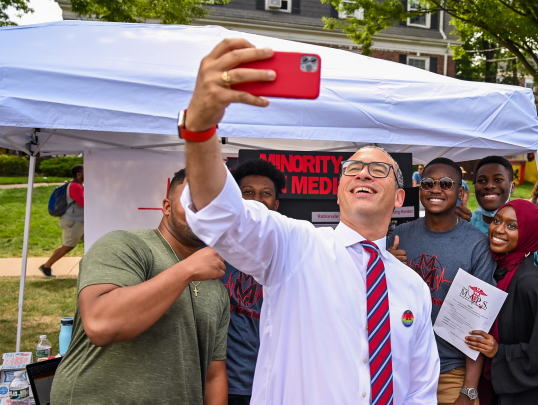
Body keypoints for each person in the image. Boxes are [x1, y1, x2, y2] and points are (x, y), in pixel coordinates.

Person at [180, 38, 440, 405]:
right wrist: (200, 128)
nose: (363, 174)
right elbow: (221, 214)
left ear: (399, 198)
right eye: (352, 168)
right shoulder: (294, 247)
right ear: (338, 191)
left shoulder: (413, 288)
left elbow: (419, 391)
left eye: (378, 169)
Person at [51, 169, 230, 405]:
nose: (202, 212)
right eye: (192, 200)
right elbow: (100, 323)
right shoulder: (125, 245)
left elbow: (213, 375)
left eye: (212, 206)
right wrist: (187, 270)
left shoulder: (216, 288)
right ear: (166, 207)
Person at [387, 158, 496, 405]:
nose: (436, 189)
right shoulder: (400, 236)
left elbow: (478, 322)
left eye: (446, 183)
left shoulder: (476, 244)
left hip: (451, 373)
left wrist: (469, 389)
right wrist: (386, 265)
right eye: (428, 183)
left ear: (460, 191)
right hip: (402, 368)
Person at [465, 200, 538, 405]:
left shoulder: (530, 283)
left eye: (512, 226)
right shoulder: (498, 268)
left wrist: (500, 351)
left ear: (530, 233)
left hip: (522, 395)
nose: (498, 229)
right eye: (496, 220)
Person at [455, 156, 538, 303]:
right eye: (481, 180)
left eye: (498, 179)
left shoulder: (536, 224)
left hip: (525, 312)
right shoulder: (464, 223)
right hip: (480, 316)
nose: (489, 185)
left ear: (512, 186)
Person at [223, 159, 285, 405]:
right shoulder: (216, 246)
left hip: (280, 384)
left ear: (276, 204)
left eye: (266, 194)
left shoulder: (292, 250)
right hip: (229, 386)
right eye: (248, 192)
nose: (257, 199)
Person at [39, 164, 85, 278]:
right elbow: (84, 203)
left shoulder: (78, 185)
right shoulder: (75, 186)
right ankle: (46, 266)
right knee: (67, 247)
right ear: (78, 174)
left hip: (79, 221)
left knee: (94, 243)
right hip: (73, 222)